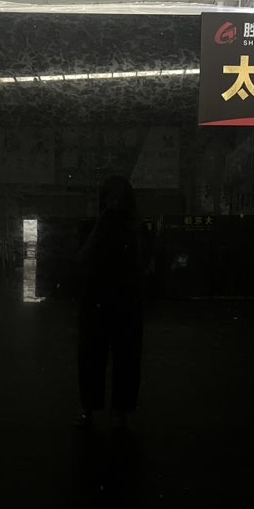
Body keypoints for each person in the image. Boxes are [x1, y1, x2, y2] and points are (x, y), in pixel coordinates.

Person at [76, 175, 143, 429]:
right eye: (111, 198)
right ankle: (100, 408)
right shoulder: (94, 226)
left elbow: (144, 262)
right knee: (96, 355)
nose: (115, 204)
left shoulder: (135, 227)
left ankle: (113, 410)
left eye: (119, 198)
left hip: (114, 299)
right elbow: (82, 259)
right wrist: (101, 225)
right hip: (108, 299)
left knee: (121, 356)